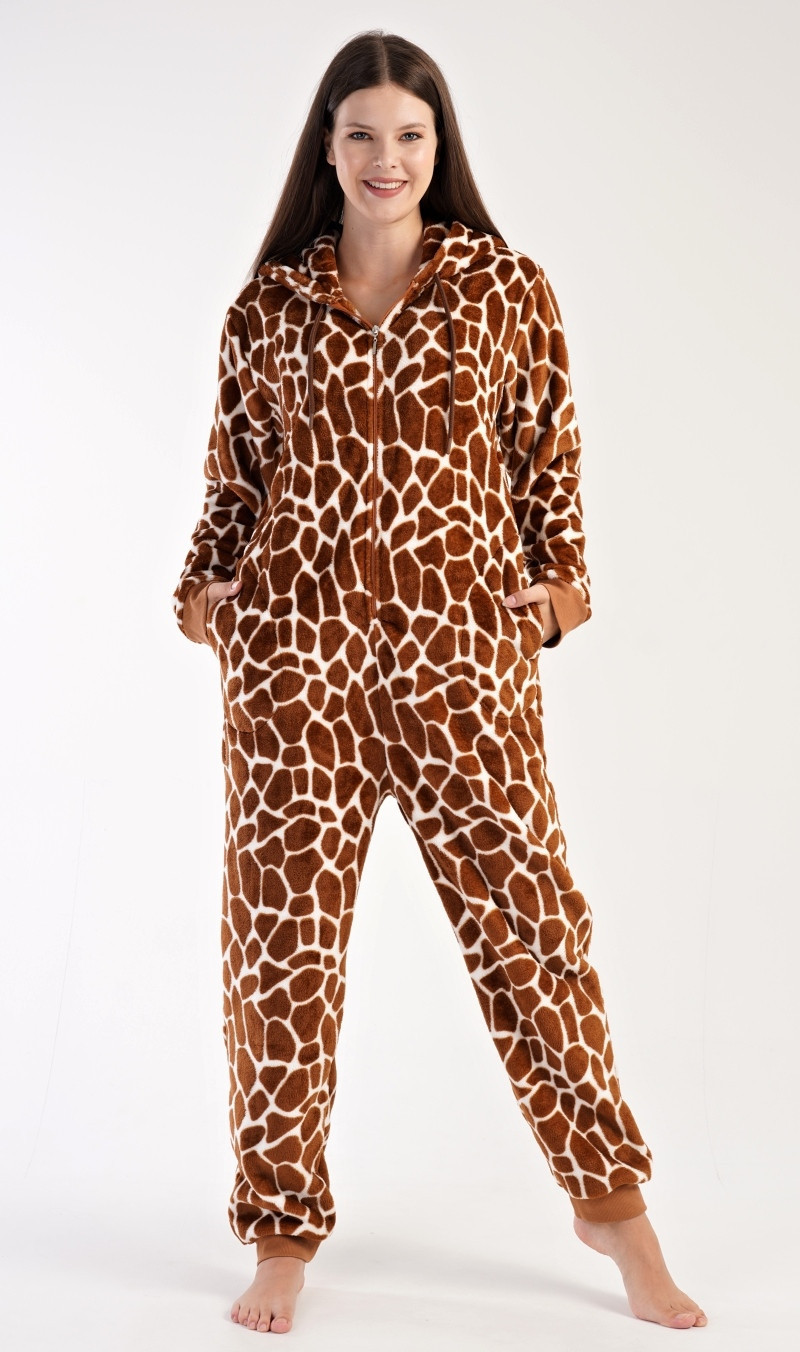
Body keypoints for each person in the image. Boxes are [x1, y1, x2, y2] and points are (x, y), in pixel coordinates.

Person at [172, 29, 707, 1336]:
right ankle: (281, 1229)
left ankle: (614, 1208)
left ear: (439, 146)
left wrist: (559, 590)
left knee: (533, 929)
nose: (386, 158)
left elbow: (548, 463)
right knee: (281, 950)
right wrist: (208, 590)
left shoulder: (506, 291)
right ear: (326, 146)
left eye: (409, 136)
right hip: (296, 673)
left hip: (464, 668)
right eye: (361, 134)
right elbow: (233, 484)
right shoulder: (267, 310)